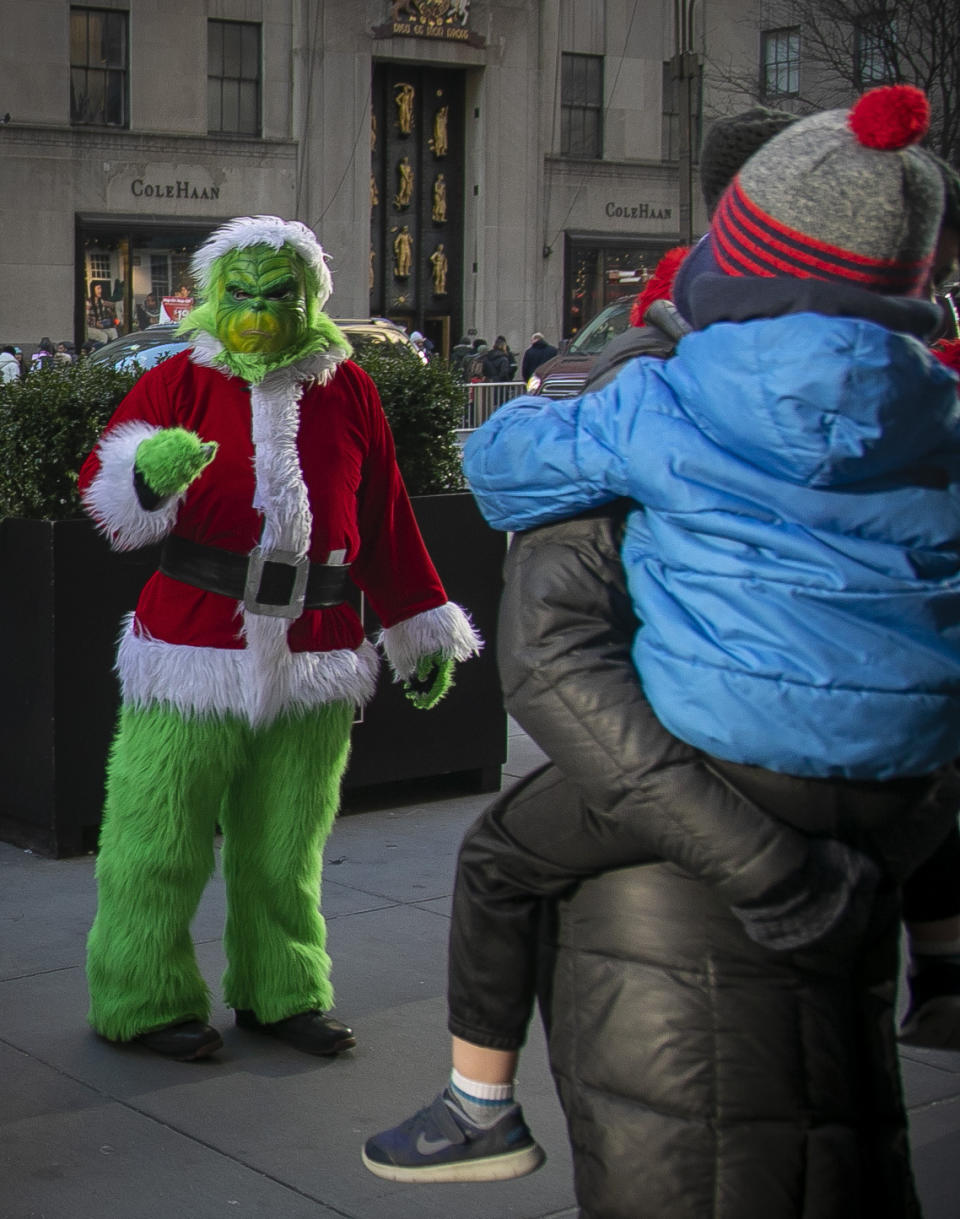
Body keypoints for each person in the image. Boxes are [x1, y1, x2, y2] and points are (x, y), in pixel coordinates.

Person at [363, 85, 960, 1211]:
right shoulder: (932, 407)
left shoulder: (665, 399)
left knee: (498, 854)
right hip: (903, 778)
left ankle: (476, 1105)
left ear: (735, 262)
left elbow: (511, 500)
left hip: (726, 763)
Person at [79, 215, 482, 1063]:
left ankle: (283, 986)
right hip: (191, 645)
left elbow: (385, 518)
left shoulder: (349, 389)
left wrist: (420, 624)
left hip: (318, 645)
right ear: (217, 295)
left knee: (286, 843)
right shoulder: (180, 379)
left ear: (310, 299)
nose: (262, 309)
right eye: (246, 293)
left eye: (280, 294)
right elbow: (103, 480)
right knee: (156, 835)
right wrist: (144, 475)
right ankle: (141, 993)